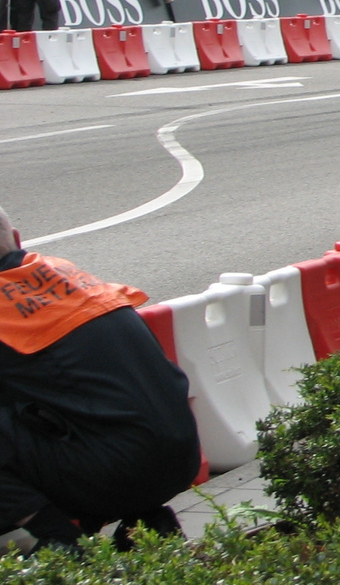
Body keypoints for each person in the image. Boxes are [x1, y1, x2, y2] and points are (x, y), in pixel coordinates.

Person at [0, 205, 199, 552]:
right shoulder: (63, 274)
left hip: (116, 472)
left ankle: (61, 544)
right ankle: (148, 524)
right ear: (18, 239)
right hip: (182, 455)